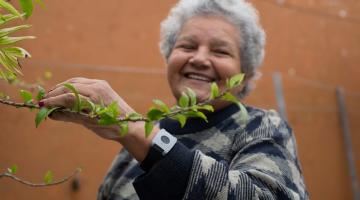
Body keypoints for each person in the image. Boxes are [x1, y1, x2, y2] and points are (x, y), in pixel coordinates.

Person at [40, 0, 308, 199]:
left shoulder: (261, 128)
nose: (200, 59)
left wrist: (134, 131)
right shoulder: (135, 145)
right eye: (187, 46)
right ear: (169, 58)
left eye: (220, 51)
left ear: (245, 73)